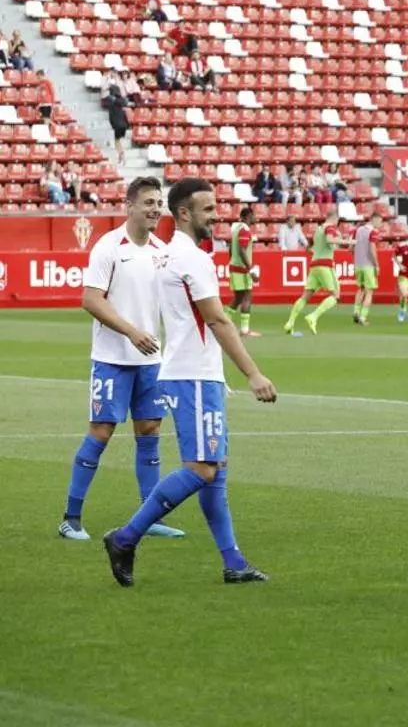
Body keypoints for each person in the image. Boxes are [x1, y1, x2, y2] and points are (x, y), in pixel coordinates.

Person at [102, 178, 278, 587]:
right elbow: (217, 319)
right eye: (208, 209)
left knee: (216, 470)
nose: (216, 216)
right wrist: (253, 373)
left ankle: (233, 562)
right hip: (193, 375)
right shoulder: (191, 259)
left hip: (194, 372)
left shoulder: (169, 255)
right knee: (201, 468)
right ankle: (125, 538)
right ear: (184, 213)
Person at [58, 178, 185, 542]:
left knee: (150, 431)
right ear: (129, 206)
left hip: (151, 361)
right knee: (101, 432)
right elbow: (90, 299)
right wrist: (131, 332)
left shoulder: (162, 251)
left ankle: (149, 516)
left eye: (158, 203)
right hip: (112, 357)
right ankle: (71, 518)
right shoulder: (109, 247)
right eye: (148, 202)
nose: (155, 209)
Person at [283, 208, 351, 335]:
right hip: (325, 265)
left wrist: (337, 241)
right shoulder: (330, 227)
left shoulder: (318, 229)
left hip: (314, 265)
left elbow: (310, 248)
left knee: (305, 296)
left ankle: (290, 322)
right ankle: (313, 316)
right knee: (335, 295)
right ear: (335, 218)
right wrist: (347, 241)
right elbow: (330, 240)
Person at [226, 206, 260, 338]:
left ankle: (224, 322)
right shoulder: (245, 230)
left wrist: (232, 262)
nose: (255, 218)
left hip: (234, 267)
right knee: (247, 298)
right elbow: (242, 250)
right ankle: (245, 330)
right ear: (249, 216)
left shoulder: (235, 228)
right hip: (242, 269)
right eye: (253, 215)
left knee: (238, 298)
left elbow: (231, 249)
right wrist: (250, 269)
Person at [352, 213, 383, 326]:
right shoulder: (373, 231)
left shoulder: (358, 230)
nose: (380, 224)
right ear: (374, 219)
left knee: (361, 289)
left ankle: (356, 311)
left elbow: (351, 247)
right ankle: (362, 317)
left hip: (358, 265)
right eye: (380, 221)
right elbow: (372, 249)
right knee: (369, 291)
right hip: (368, 265)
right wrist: (377, 265)